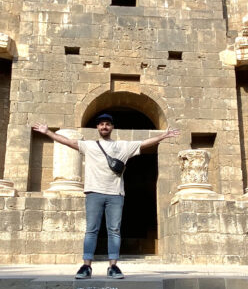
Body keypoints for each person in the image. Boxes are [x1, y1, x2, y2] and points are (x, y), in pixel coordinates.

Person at [32, 114, 180, 279]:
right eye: (101, 124)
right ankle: (86, 266)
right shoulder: (90, 146)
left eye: (107, 124)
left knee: (114, 230)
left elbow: (144, 143)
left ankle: (113, 266)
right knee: (91, 230)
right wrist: (48, 133)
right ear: (98, 128)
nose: (104, 127)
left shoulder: (122, 146)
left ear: (112, 127)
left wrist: (163, 136)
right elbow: (68, 141)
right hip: (94, 192)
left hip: (115, 194)